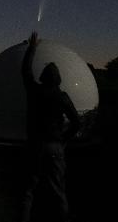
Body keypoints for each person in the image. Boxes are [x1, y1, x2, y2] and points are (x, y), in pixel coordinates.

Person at [20, 32, 80, 222]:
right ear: (58, 78)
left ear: (43, 76)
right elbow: (77, 122)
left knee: (28, 189)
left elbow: (26, 70)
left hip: (35, 145)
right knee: (57, 189)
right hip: (54, 146)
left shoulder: (34, 90)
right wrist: (64, 139)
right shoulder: (62, 97)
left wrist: (32, 47)